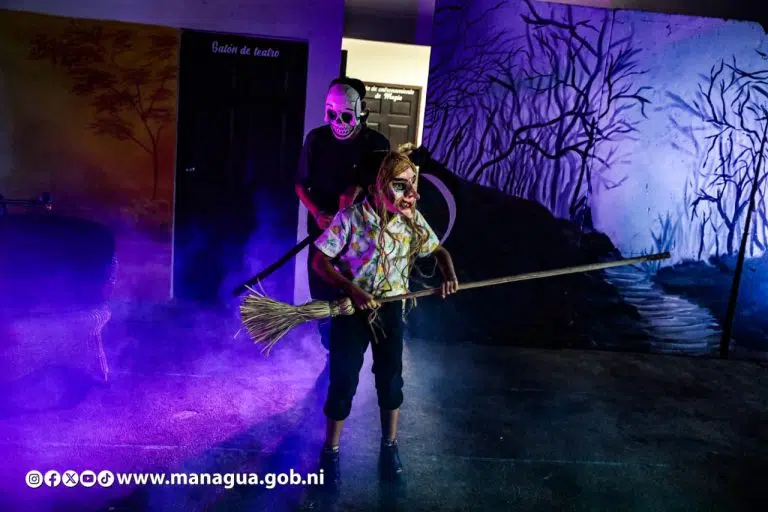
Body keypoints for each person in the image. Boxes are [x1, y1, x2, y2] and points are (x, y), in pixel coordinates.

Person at [310, 150, 459, 489]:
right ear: (377, 187)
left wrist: (448, 274)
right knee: (343, 381)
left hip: (390, 310)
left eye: (413, 184)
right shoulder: (350, 218)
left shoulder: (410, 219)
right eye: (401, 186)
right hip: (352, 310)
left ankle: (389, 447)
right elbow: (320, 261)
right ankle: (330, 452)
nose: (413, 194)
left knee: (390, 380)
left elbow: (438, 250)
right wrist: (352, 289)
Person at [294, 76, 390, 350]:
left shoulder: (377, 144)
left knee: (356, 296)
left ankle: (351, 352)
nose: (338, 122)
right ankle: (329, 351)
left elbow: (385, 192)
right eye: (332, 114)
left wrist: (359, 187)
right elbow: (300, 184)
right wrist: (318, 213)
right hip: (323, 235)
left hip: (360, 241)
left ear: (362, 111)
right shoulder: (316, 140)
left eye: (346, 116)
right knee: (323, 296)